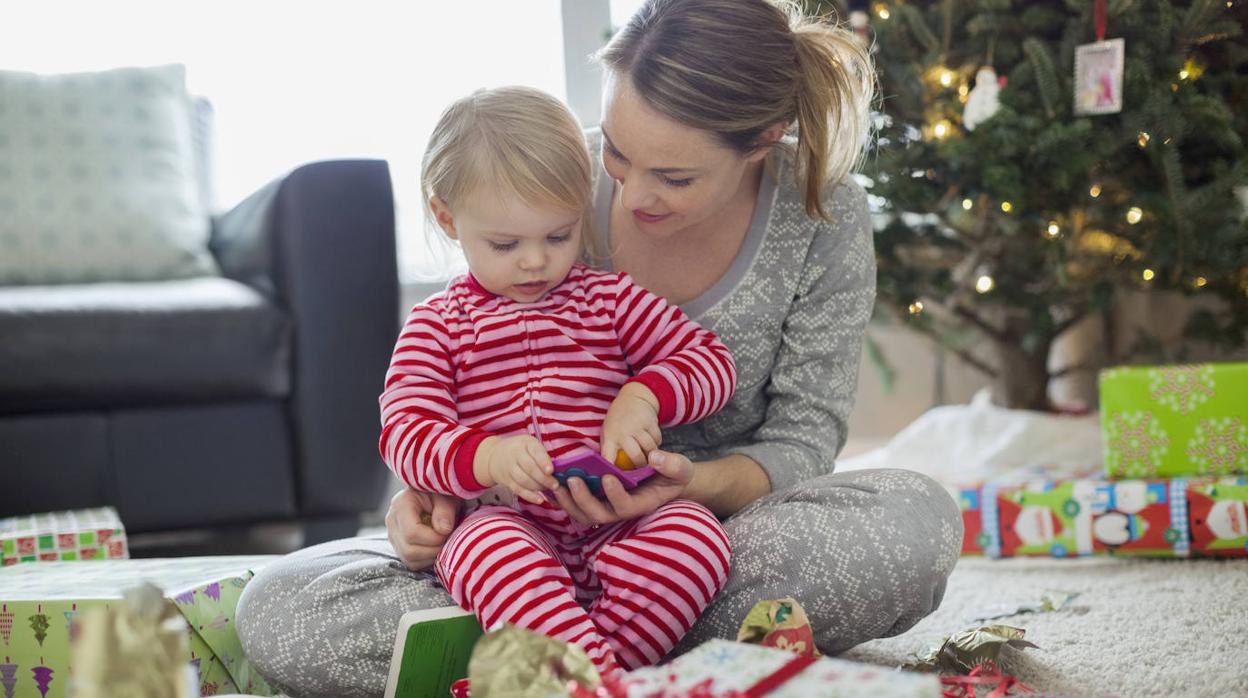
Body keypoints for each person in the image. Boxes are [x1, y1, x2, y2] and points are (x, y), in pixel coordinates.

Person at [237, 2, 963, 696]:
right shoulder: (549, 182)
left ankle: (540, 661)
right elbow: (419, 416)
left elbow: (799, 439)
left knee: (913, 527)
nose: (628, 192)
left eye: (674, 177)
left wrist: (687, 477)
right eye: (616, 152)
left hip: (701, 532)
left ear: (765, 138)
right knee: (278, 609)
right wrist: (430, 499)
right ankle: (635, 660)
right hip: (510, 534)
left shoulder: (822, 216)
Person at [386, 85, 736, 676]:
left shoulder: (610, 300)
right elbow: (405, 430)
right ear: (447, 218)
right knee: (481, 553)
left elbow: (708, 359)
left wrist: (643, 394)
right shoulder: (437, 323)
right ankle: (601, 681)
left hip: (621, 524)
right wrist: (488, 457)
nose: (535, 262)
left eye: (558, 236)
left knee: (696, 533)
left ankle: (590, 680)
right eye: (505, 243)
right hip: (509, 529)